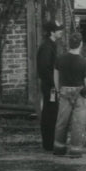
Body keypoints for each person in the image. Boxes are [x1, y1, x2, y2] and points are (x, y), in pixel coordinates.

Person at [53, 30, 86, 157]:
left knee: (62, 121)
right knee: (78, 123)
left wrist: (58, 90)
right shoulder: (83, 62)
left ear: (69, 44)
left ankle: (59, 148)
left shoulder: (60, 59)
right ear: (81, 44)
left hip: (64, 92)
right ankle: (75, 150)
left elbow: (55, 76)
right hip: (80, 94)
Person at [36, 20, 65, 151]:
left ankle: (51, 141)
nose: (61, 31)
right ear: (52, 32)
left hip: (52, 86)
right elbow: (44, 69)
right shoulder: (47, 48)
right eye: (58, 29)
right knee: (49, 112)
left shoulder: (51, 45)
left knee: (52, 112)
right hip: (50, 87)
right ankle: (48, 143)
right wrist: (54, 86)